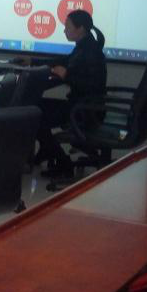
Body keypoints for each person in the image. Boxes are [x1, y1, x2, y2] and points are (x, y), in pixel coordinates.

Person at [35, 9, 108, 174]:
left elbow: (91, 85)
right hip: (84, 105)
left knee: (35, 113)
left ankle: (63, 163)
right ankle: (47, 151)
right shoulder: (85, 45)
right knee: (36, 106)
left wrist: (66, 75)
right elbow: (64, 61)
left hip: (85, 110)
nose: (64, 30)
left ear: (80, 28)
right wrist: (33, 61)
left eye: (67, 27)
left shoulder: (90, 51)